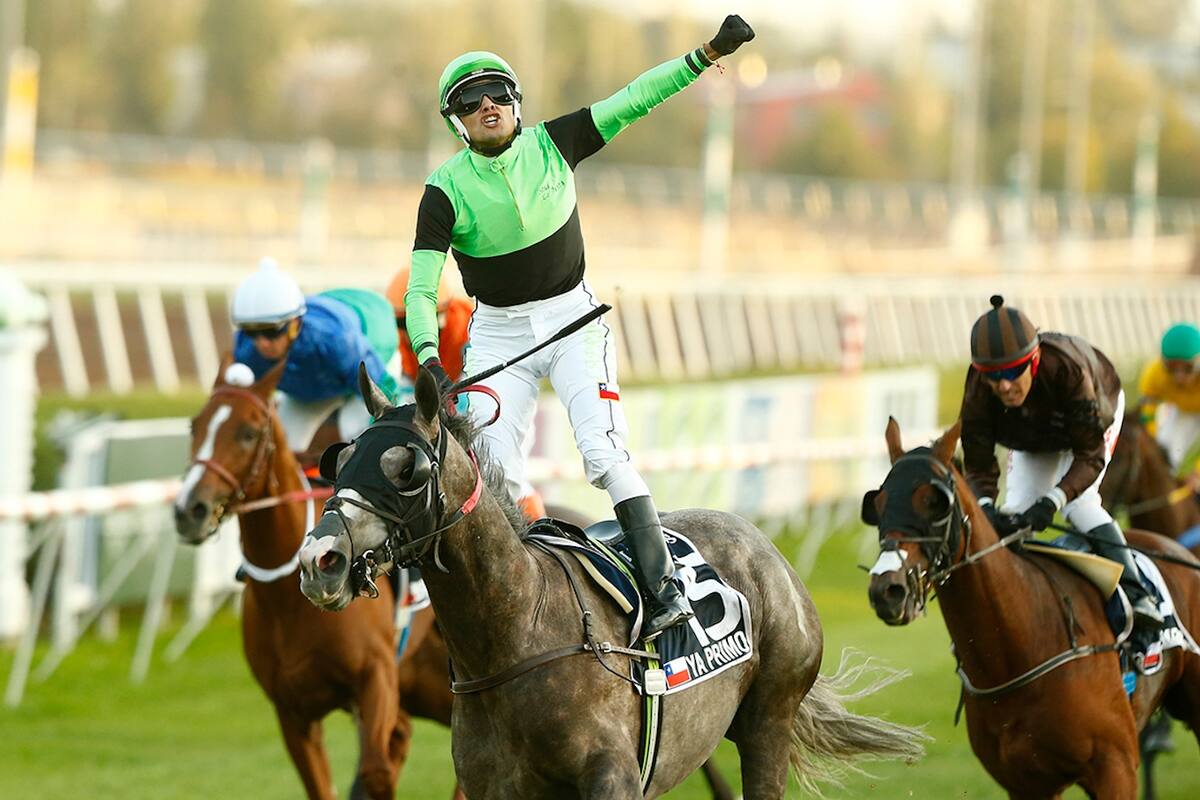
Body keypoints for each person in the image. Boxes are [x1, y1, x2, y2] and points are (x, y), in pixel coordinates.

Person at [403, 15, 756, 639]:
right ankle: (514, 610)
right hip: (498, 336)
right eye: (469, 100)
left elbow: (635, 98)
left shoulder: (555, 143)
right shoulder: (443, 190)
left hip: (572, 320)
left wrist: (705, 55)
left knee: (602, 454)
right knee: (493, 469)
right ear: (455, 120)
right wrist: (430, 353)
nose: (487, 105)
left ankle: (664, 592)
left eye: (497, 93)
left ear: (516, 102)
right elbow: (422, 288)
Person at [960, 295, 1164, 630]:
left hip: (1093, 420)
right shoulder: (979, 392)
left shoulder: (1068, 371)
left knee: (1078, 505)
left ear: (1034, 359)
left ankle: (1138, 594)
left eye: (1013, 371)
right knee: (1014, 513)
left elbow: (1091, 456)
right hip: (1033, 436)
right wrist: (985, 505)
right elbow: (979, 466)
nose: (1005, 385)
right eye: (992, 375)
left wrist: (1054, 499)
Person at [232, 258, 405, 450]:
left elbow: (386, 389)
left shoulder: (335, 340)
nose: (261, 342)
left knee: (355, 431)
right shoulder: (245, 350)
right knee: (282, 443)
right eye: (251, 332)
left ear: (295, 325)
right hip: (318, 380)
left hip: (375, 346)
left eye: (272, 331)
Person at [1138, 322, 1200, 484]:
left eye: (1187, 368)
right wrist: (1151, 439)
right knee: (1166, 449)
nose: (1179, 377)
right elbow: (1147, 412)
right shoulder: (1154, 374)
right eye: (1171, 367)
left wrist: (1198, 472)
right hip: (1182, 410)